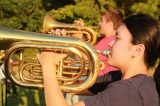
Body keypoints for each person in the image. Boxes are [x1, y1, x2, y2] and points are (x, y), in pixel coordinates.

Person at [37, 13, 160, 106]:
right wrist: (61, 50)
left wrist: (48, 63)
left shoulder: (128, 90)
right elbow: (73, 85)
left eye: (118, 38)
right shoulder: (117, 77)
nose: (111, 43)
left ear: (137, 50)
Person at [94, 7, 123, 76]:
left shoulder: (108, 42)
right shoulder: (111, 39)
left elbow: (86, 57)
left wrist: (76, 39)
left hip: (100, 82)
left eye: (102, 21)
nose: (99, 23)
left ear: (110, 24)